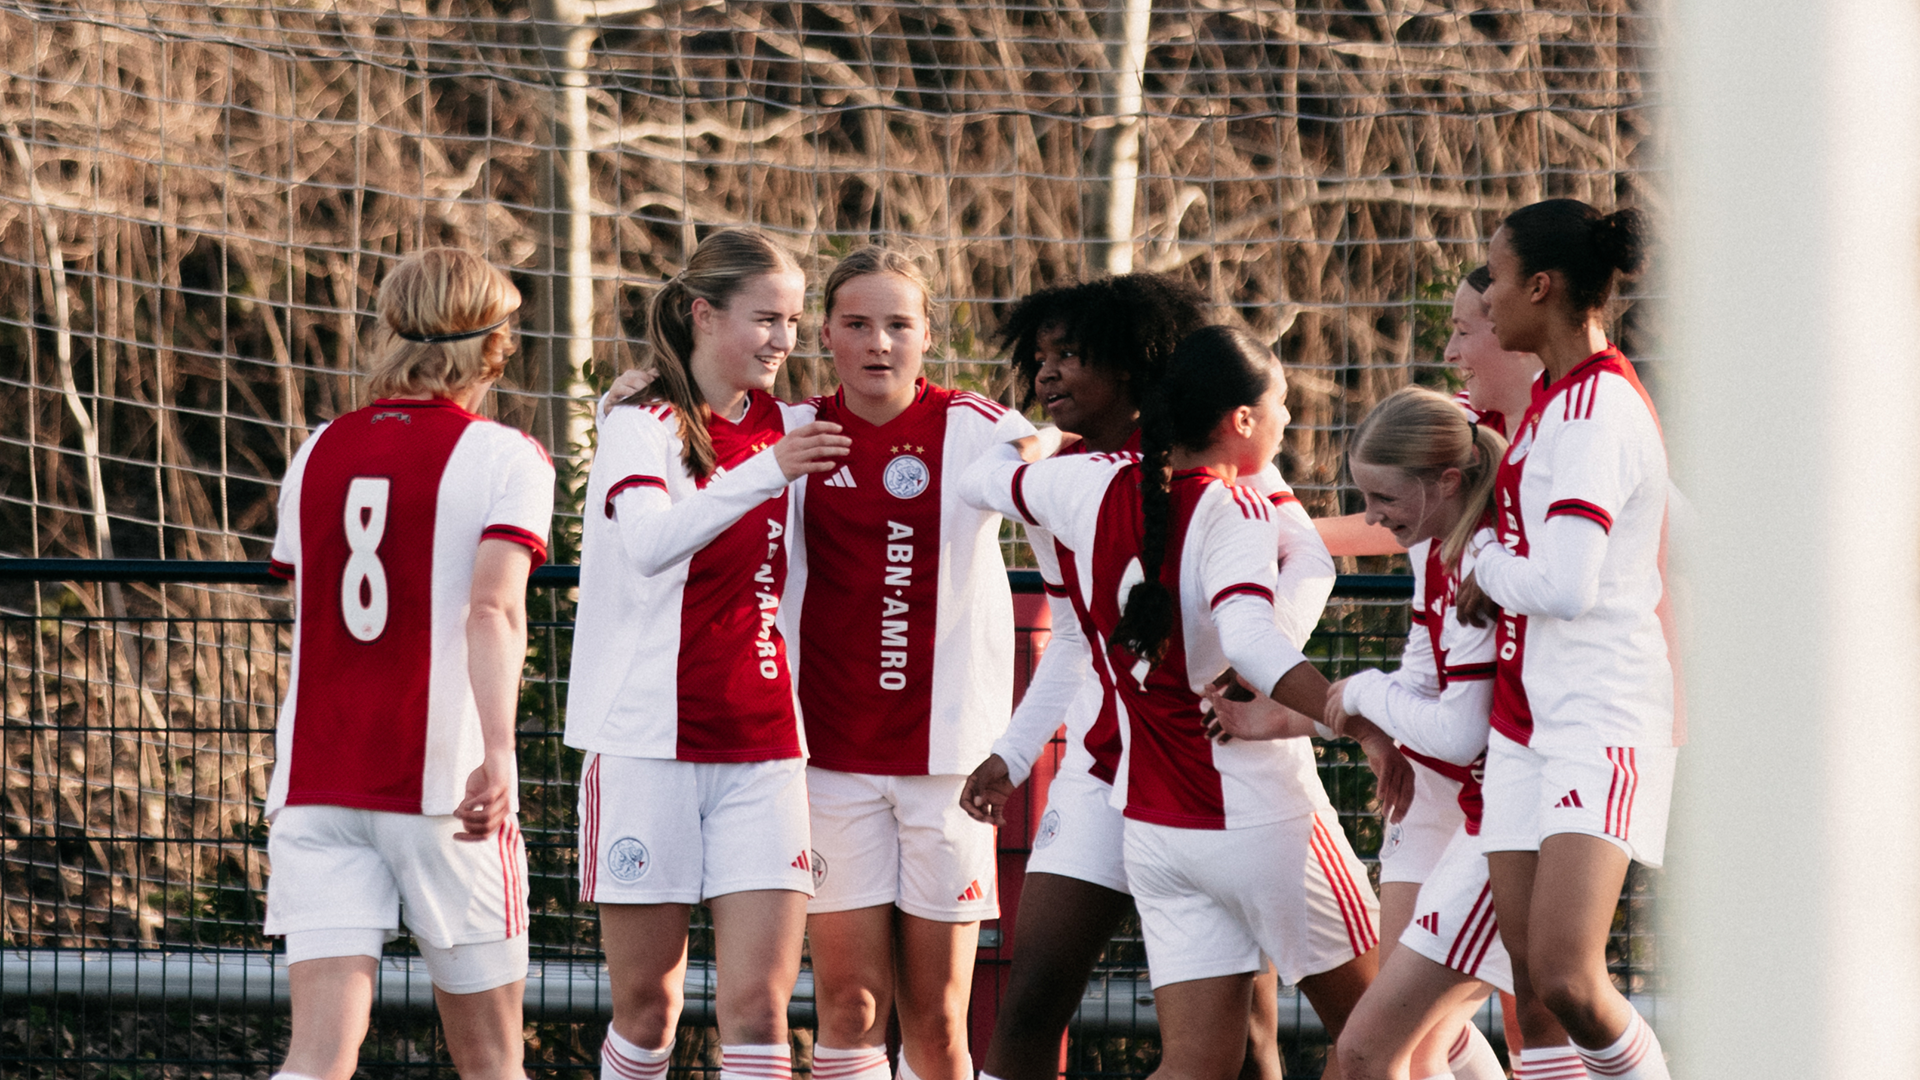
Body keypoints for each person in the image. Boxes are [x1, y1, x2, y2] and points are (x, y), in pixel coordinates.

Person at [961, 325, 1381, 1080]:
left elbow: (983, 479)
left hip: (1157, 829)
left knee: (1198, 1063)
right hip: (1256, 817)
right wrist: (1351, 717)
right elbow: (1254, 633)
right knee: (1390, 1036)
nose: (1289, 421)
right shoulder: (1241, 507)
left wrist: (1024, 447)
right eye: (1282, 406)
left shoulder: (1083, 484)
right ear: (1243, 421)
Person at [261, 248, 554, 1080]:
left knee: (317, 1056)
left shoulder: (318, 449)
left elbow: (308, 597)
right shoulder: (507, 457)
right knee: (493, 1060)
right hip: (441, 792)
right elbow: (492, 608)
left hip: (315, 785)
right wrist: (500, 756)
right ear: (497, 349)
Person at [567, 228, 852, 1080]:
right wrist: (765, 474)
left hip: (763, 750)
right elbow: (651, 542)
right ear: (702, 313)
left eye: (795, 323)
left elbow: (907, 418)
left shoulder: (793, 423)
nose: (784, 341)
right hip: (648, 747)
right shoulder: (639, 422)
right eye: (767, 319)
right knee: (649, 1011)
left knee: (761, 1011)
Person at [785, 246, 1038, 1080]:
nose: (877, 342)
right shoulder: (793, 435)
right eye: (857, 324)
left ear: (928, 334)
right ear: (825, 334)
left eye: (898, 324)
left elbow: (1048, 453)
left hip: (948, 769)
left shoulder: (975, 427)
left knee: (937, 1023)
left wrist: (1044, 456)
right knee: (850, 1007)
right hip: (829, 763)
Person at [1225, 386, 1514, 1080]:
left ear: (1446, 481)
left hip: (1509, 812)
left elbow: (1459, 731)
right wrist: (1312, 719)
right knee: (1414, 1045)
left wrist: (1356, 693)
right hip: (1443, 796)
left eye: (1383, 500)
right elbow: (1419, 684)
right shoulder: (1438, 550)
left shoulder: (1486, 557)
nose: (1372, 520)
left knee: (1383, 1047)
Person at [1454, 199, 1675, 1080]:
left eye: (1497, 278)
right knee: (1532, 993)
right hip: (1529, 726)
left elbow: (1565, 584)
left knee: (1571, 979)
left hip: (1600, 714)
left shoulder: (1593, 413)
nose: (1488, 297)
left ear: (1540, 288)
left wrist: (1485, 557)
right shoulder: (1555, 401)